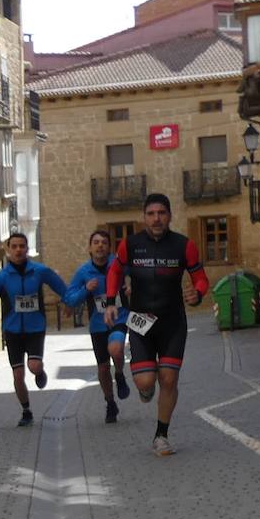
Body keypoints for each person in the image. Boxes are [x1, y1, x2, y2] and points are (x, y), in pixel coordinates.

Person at [104, 193, 210, 457]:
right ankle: (145, 387)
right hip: (140, 322)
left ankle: (161, 435)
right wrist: (110, 301)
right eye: (151, 214)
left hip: (172, 321)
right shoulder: (130, 244)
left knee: (170, 378)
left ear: (170, 216)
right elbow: (115, 271)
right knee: (146, 381)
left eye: (161, 213)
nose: (156, 218)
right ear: (144, 217)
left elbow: (201, 278)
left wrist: (197, 293)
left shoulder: (184, 245)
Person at [0, 233, 69, 428]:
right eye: (15, 246)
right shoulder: (2, 277)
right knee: (18, 375)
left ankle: (39, 371)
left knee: (33, 366)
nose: (18, 250)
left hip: (35, 327)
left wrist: (70, 302)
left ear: (27, 249)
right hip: (12, 330)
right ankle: (26, 410)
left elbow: (61, 287)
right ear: (8, 250)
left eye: (22, 246)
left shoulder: (40, 271)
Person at [63, 229, 131, 423]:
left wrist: (131, 285)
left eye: (104, 242)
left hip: (119, 317)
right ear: (90, 248)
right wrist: (86, 290)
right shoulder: (84, 272)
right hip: (97, 325)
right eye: (96, 242)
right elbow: (70, 299)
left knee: (116, 349)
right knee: (102, 368)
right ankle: (110, 403)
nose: (100, 245)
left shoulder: (118, 265)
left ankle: (119, 374)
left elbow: (138, 275)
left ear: (109, 247)